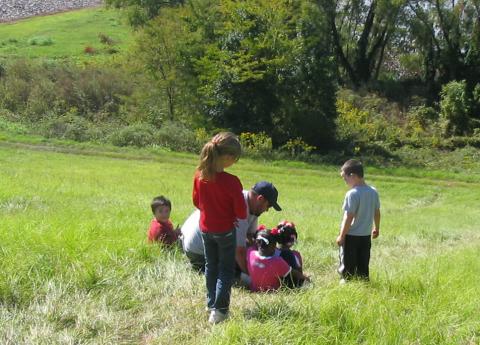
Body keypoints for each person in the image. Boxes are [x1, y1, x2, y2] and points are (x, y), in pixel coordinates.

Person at [193, 132, 246, 324]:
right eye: (235, 158)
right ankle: (220, 310)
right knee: (225, 269)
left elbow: (197, 202)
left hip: (206, 229)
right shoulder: (232, 182)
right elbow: (241, 212)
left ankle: (210, 303)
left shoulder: (199, 176)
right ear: (228, 157)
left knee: (210, 265)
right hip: (225, 231)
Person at [181, 181, 282, 274]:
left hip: (197, 241)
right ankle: (199, 266)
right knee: (233, 273)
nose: (267, 210)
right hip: (197, 250)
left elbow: (251, 237)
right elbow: (239, 252)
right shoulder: (239, 208)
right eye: (268, 206)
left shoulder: (252, 206)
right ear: (260, 199)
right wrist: (252, 275)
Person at [336, 159, 381, 282]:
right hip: (366, 236)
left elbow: (348, 217)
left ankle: (346, 282)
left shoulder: (352, 194)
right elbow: (377, 212)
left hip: (351, 236)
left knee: (348, 263)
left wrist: (341, 235)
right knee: (363, 262)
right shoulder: (373, 192)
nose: (345, 182)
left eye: (345, 178)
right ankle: (363, 282)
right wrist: (376, 228)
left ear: (353, 176)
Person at [271, 220, 308, 287]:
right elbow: (299, 274)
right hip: (293, 285)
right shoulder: (296, 255)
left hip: (275, 284)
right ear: (293, 238)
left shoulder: (271, 252)